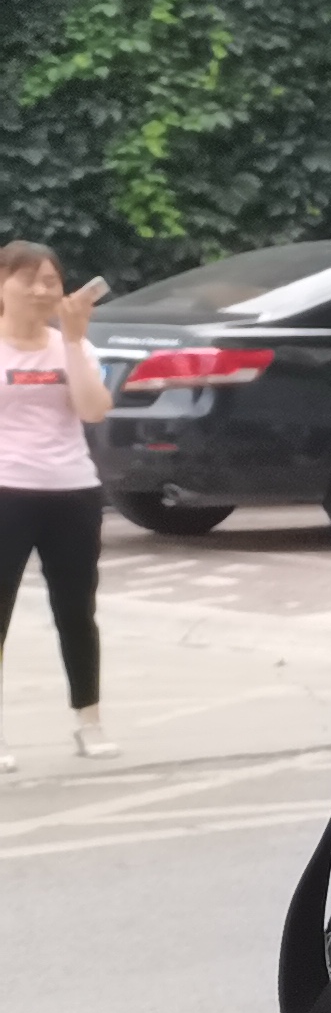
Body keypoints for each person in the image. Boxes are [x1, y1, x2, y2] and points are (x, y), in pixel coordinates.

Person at [0, 239, 117, 767]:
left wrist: (72, 340)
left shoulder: (73, 344)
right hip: (6, 490)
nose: (42, 290)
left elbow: (93, 410)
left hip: (72, 490)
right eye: (29, 280)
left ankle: (89, 721)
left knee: (77, 610)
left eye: (51, 280)